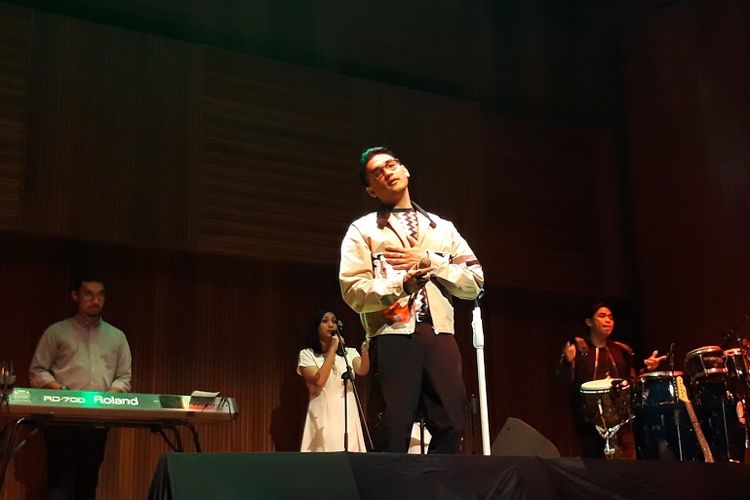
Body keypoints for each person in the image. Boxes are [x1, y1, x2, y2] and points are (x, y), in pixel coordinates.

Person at [339, 146, 484, 453]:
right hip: (391, 333)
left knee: (452, 422)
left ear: (405, 170)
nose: (387, 172)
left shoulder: (443, 229)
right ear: (370, 190)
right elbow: (353, 291)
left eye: (391, 165)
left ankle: (437, 480)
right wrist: (401, 285)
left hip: (438, 332)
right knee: (394, 426)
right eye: (376, 173)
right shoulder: (363, 230)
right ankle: (392, 481)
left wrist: (431, 260)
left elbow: (475, 282)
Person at [29, 275, 132, 500]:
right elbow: (37, 372)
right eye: (88, 294)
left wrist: (107, 398)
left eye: (100, 295)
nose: (95, 300)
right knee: (59, 483)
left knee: (88, 483)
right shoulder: (57, 332)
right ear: (75, 296)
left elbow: (124, 378)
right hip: (60, 417)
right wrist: (62, 391)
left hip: (97, 419)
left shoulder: (117, 337)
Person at [555, 302, 664, 458]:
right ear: (589, 322)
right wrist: (567, 362)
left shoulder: (621, 350)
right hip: (589, 426)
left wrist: (648, 369)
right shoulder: (579, 349)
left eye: (610, 317)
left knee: (624, 465)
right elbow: (563, 381)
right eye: (602, 316)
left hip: (621, 424)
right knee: (596, 468)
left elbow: (631, 383)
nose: (608, 320)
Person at [297, 309, 370, 452]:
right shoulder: (307, 354)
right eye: (325, 321)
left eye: (334, 321)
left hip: (347, 411)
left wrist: (365, 354)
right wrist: (332, 350)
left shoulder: (349, 352)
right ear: (316, 327)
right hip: (323, 412)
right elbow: (319, 381)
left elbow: (362, 370)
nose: (331, 325)